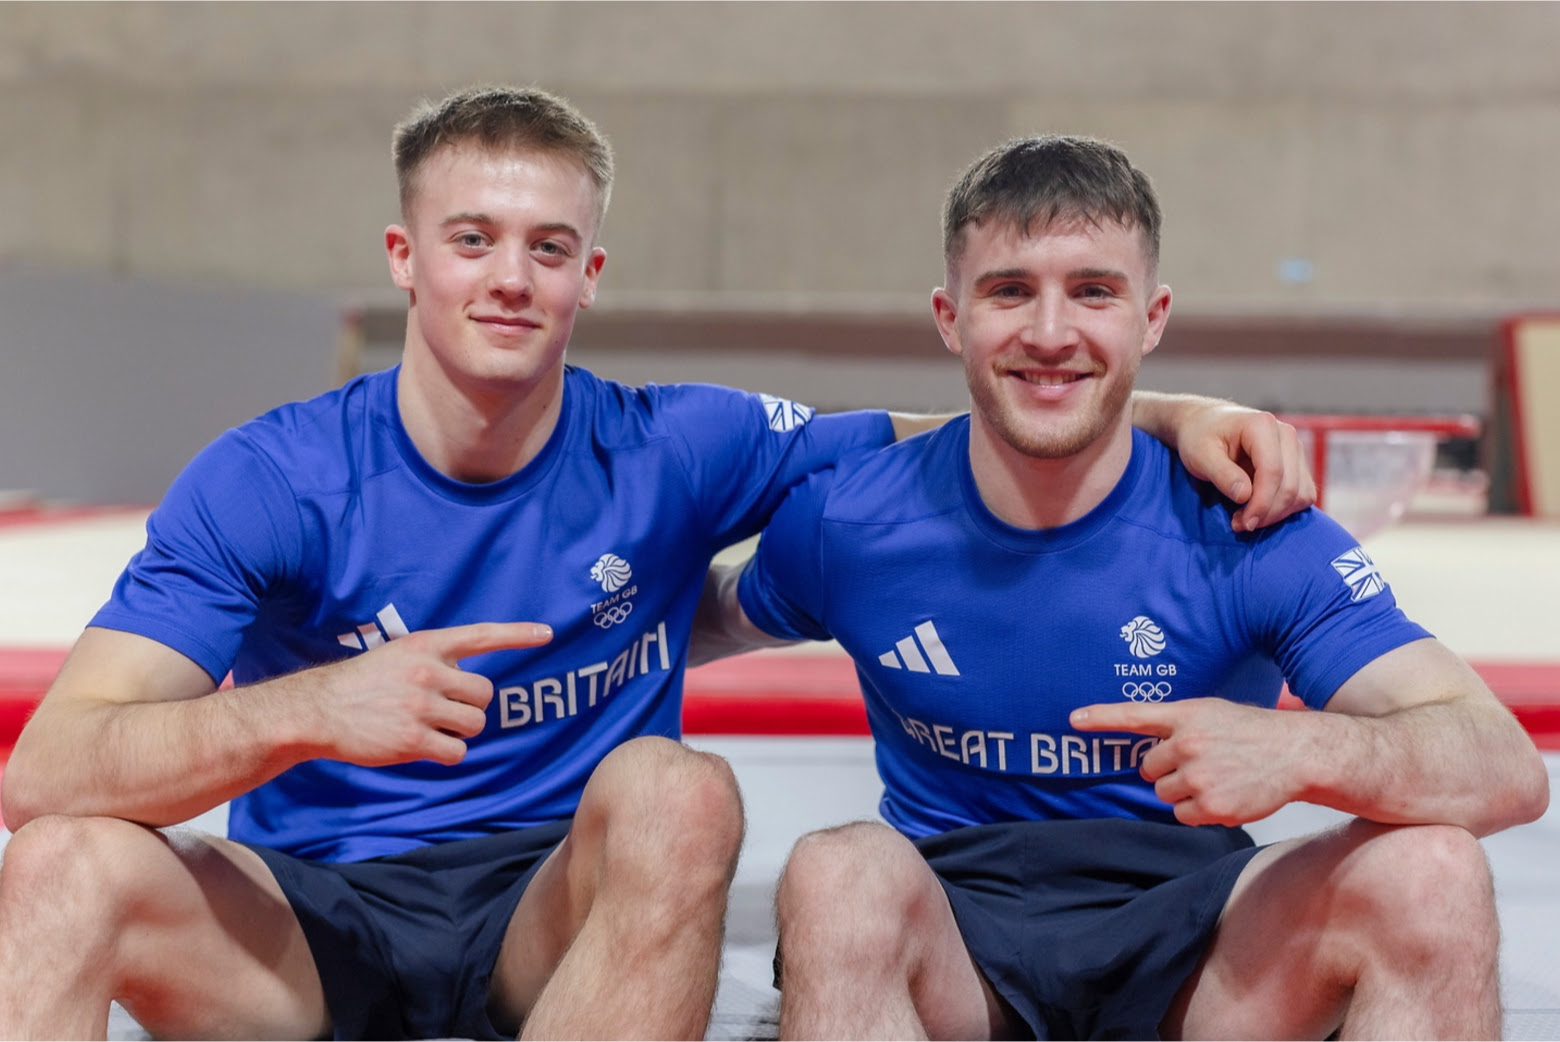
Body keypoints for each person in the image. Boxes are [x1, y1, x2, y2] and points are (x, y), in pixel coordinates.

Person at [0, 90, 1310, 1042]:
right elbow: (50, 771)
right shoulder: (271, 477)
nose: (509, 278)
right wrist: (307, 709)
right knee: (60, 869)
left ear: (588, 276)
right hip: (307, 924)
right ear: (405, 259)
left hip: (554, 915)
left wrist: (1170, 413)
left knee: (678, 788)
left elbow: (961, 431)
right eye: (472, 239)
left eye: (549, 249)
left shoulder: (677, 444)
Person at [702, 134, 1550, 1041]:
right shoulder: (851, 522)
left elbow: (1503, 767)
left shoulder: (1249, 525)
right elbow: (697, 619)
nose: (1052, 332)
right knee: (836, 873)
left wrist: (1305, 749)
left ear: (1153, 317)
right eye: (1010, 290)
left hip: (1204, 941)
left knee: (1433, 873)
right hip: (954, 936)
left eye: (1094, 291)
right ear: (951, 318)